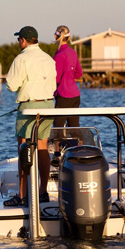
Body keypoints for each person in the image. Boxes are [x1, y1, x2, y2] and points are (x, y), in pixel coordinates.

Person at [4, 26, 56, 206]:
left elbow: (11, 85)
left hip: (29, 107)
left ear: (23, 41)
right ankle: (42, 192)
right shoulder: (49, 59)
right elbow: (53, 85)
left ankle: (22, 195)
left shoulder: (22, 58)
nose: (18, 42)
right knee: (42, 147)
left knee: (23, 148)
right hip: (49, 105)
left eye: (19, 39)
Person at [51, 26, 83, 163]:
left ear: (56, 37)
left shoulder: (58, 55)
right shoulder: (73, 53)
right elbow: (79, 73)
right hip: (75, 94)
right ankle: (79, 151)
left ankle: (57, 154)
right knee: (74, 124)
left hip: (63, 94)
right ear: (69, 38)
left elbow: (56, 78)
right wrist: (69, 78)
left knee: (58, 125)